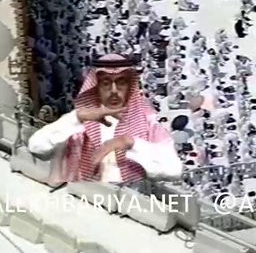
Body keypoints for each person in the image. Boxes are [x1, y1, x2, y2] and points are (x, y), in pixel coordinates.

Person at [28, 54, 183, 183]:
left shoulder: (147, 123)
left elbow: (175, 170)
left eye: (121, 83)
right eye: (106, 83)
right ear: (96, 86)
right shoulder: (77, 123)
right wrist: (77, 118)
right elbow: (36, 147)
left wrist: (128, 142)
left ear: (130, 86)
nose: (114, 91)